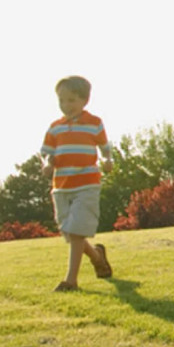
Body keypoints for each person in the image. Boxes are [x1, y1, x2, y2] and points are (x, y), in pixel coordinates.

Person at [40, 75, 114, 292]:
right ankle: (97, 256)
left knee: (77, 231)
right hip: (62, 187)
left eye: (71, 100)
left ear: (84, 100)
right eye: (61, 101)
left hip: (87, 183)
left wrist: (108, 160)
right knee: (71, 233)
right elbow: (46, 153)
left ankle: (71, 281)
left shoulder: (94, 123)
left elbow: (104, 147)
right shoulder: (55, 128)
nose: (66, 106)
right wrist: (47, 164)